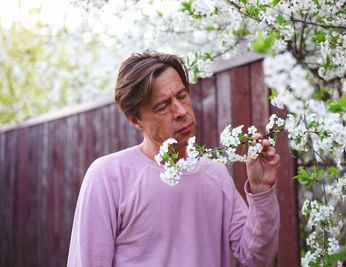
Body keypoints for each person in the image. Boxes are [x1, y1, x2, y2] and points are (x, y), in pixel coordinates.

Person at [67, 51, 280, 267]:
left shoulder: (214, 172)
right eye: (162, 106)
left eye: (181, 96)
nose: (180, 111)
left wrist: (261, 190)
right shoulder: (108, 176)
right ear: (136, 120)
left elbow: (257, 257)